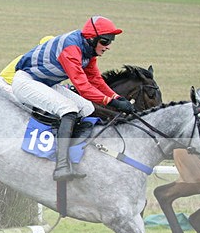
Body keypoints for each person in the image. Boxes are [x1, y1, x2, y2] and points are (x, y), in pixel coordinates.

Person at [12, 15, 133, 181]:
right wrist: (111, 102)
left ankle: (71, 151)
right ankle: (61, 166)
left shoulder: (88, 51)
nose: (108, 46)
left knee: (87, 108)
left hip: (46, 83)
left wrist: (116, 97)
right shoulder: (71, 48)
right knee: (68, 109)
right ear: (92, 38)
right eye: (105, 41)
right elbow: (83, 87)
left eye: (111, 41)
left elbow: (95, 80)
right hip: (26, 81)